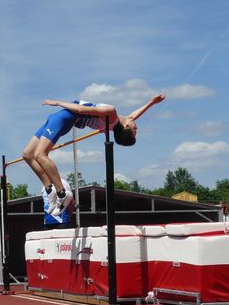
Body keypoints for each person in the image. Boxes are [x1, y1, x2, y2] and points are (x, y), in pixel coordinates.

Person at [23, 93, 166, 217]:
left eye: (135, 130)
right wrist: (151, 103)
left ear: (126, 127)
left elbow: (80, 109)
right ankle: (50, 190)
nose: (137, 127)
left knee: (40, 155)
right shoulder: (113, 124)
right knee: (27, 155)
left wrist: (57, 102)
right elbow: (134, 116)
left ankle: (62, 193)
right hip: (58, 117)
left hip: (64, 118)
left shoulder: (111, 112)